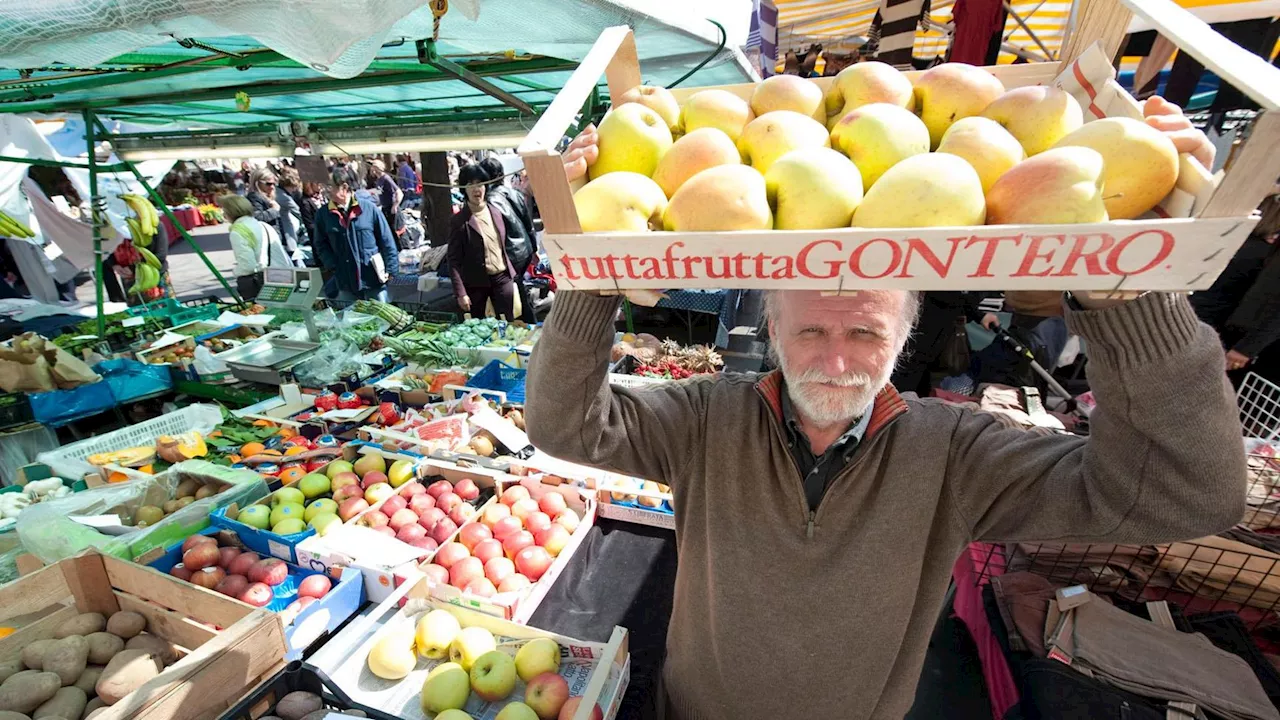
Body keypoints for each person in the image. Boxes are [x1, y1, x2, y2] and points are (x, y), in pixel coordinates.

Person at [522, 102, 1247, 720]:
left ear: (902, 341)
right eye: (811, 330)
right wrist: (590, 278)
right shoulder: (708, 419)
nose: (835, 362)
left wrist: (1135, 307)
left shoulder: (956, 454)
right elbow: (566, 425)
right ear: (772, 332)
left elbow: (1187, 493)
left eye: (865, 332)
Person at [311, 172, 399, 305]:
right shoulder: (323, 214)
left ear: (344, 187)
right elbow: (320, 244)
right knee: (351, 320)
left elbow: (386, 240)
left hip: (372, 277)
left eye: (330, 186)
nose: (326, 190)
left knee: (382, 317)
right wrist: (332, 265)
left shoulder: (369, 209)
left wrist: (391, 268)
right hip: (345, 280)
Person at [448, 163, 517, 320]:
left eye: (479, 184)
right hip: (476, 284)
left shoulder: (496, 212)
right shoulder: (459, 221)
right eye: (470, 185)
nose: (476, 189)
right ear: (464, 189)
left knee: (507, 325)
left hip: (502, 279)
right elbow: (453, 260)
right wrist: (461, 293)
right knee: (480, 328)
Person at [480, 156, 537, 322]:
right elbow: (529, 225)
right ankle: (529, 324)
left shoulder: (488, 201)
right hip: (524, 250)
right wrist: (533, 249)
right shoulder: (515, 193)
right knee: (518, 291)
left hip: (509, 254)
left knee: (508, 298)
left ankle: (517, 326)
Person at [217, 194, 286, 301]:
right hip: (279, 276)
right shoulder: (263, 225)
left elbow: (247, 265)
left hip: (260, 284)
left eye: (224, 210)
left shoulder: (238, 231)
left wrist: (236, 272)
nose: (223, 214)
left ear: (230, 211)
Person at [368, 159, 405, 247]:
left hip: (391, 208)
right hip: (385, 208)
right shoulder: (379, 180)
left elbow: (399, 192)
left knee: (397, 232)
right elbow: (380, 191)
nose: (373, 170)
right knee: (390, 232)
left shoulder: (386, 178)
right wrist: (368, 192)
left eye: (375, 167)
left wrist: (395, 205)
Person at [275, 168, 305, 263]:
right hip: (285, 228)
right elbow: (297, 211)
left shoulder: (278, 191)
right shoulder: (284, 197)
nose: (294, 190)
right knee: (293, 256)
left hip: (281, 227)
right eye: (293, 187)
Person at [246, 168, 282, 240]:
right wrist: (274, 210)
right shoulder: (254, 197)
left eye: (274, 184)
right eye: (268, 184)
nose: (272, 187)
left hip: (272, 237)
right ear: (257, 183)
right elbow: (257, 217)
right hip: (266, 239)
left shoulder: (267, 196)